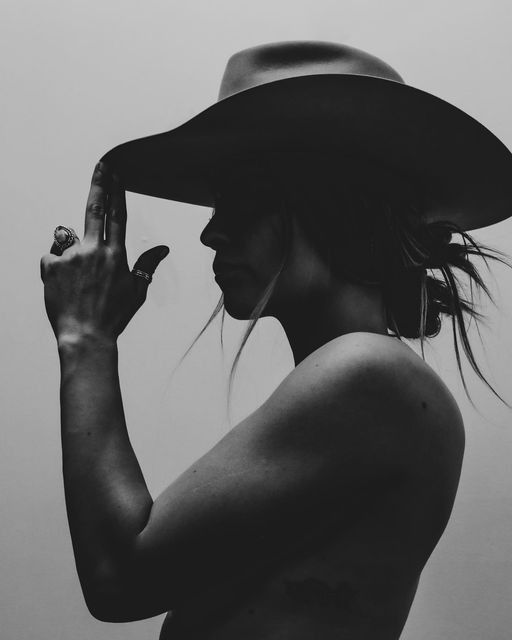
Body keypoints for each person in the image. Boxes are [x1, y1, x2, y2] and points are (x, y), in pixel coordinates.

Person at [40, 42, 512, 640]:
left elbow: (119, 576)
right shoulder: (368, 382)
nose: (211, 232)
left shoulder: (369, 373)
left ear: (333, 199)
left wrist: (85, 338)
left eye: (244, 199)